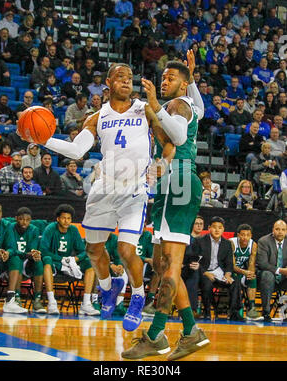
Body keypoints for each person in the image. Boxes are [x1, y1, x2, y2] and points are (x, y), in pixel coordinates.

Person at [29, 63, 176, 332]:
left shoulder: (144, 109)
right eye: (121, 77)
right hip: (104, 188)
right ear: (108, 83)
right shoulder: (96, 116)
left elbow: (169, 143)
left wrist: (162, 165)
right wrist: (44, 138)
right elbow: (76, 150)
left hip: (134, 188)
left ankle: (138, 297)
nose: (126, 82)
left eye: (130, 78)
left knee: (125, 249)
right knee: (94, 251)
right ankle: (108, 288)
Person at [123, 52, 209, 360]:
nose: (163, 81)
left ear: (182, 85)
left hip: (179, 183)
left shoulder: (176, 105)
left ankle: (160, 335)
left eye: (171, 78)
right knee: (161, 266)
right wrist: (192, 77)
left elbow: (179, 134)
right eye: (163, 77)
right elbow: (199, 107)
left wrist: (156, 106)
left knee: (170, 267)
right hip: (171, 184)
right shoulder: (190, 106)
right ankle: (187, 332)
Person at [40, 204, 99, 316]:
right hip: (56, 262)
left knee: (90, 263)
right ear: (58, 219)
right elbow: (44, 250)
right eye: (63, 218)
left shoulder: (73, 230)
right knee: (47, 260)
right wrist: (61, 259)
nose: (66, 221)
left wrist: (76, 259)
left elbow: (83, 251)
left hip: (70, 263)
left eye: (69, 218)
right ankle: (52, 302)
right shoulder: (50, 229)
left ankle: (86, 304)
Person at [188, 216, 244, 321]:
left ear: (223, 229)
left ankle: (233, 312)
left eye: (220, 227)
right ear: (209, 228)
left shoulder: (227, 244)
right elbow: (194, 261)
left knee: (235, 282)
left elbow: (229, 263)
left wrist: (227, 274)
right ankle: (207, 311)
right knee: (207, 283)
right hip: (203, 272)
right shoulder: (199, 241)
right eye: (214, 227)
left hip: (219, 272)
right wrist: (205, 273)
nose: (217, 230)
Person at [0, 202, 27, 314]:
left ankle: (10, 300)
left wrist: (7, 253)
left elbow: (11, 247)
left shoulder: (7, 225)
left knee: (15, 258)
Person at [10, 207, 46, 313]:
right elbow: (11, 248)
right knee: (16, 259)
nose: (24, 222)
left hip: (27, 260)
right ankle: (16, 298)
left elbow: (33, 248)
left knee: (39, 262)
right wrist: (27, 254)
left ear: (30, 220)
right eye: (21, 219)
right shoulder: (10, 228)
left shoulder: (34, 229)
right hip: (12, 260)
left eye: (27, 219)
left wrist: (35, 254)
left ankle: (37, 300)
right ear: (16, 218)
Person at [257, 220, 287, 322]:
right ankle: (266, 312)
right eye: (277, 229)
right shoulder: (264, 241)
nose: (280, 232)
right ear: (272, 230)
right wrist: (280, 270)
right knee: (267, 274)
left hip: (284, 277)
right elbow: (262, 263)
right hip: (266, 276)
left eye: (283, 230)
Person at [230, 224, 260, 319]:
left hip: (243, 270)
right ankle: (236, 309)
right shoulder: (232, 243)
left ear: (251, 235)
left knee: (252, 278)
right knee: (237, 277)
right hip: (230, 270)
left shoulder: (253, 244)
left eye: (248, 235)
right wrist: (244, 272)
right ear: (238, 235)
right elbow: (232, 265)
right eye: (243, 235)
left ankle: (251, 308)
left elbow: (252, 263)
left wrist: (250, 274)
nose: (245, 237)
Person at [181, 215, 204, 318]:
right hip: (182, 267)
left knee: (194, 273)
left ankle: (191, 310)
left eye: (201, 224)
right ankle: (189, 310)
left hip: (200, 269)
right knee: (191, 273)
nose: (199, 226)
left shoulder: (205, 240)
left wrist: (200, 265)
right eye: (196, 223)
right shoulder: (185, 238)